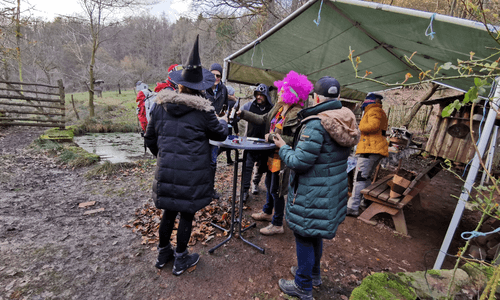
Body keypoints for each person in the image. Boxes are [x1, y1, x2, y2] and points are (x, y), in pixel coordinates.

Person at [144, 35, 228, 276]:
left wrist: (164, 155)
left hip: (167, 169)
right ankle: (181, 259)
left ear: (179, 84)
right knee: (186, 213)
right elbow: (220, 134)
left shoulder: (160, 105)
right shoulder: (204, 111)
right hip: (191, 174)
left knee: (168, 211)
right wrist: (225, 123)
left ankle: (163, 254)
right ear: (199, 86)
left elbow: (149, 138)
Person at [272, 76, 360, 299]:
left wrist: (283, 147)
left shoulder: (316, 124)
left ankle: (303, 285)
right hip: (330, 192)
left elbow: (299, 162)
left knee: (303, 234)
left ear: (316, 98)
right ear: (338, 97)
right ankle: (313, 274)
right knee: (315, 234)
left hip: (312, 192)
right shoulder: (346, 119)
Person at [238, 70, 312, 235]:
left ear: (291, 95)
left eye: (283, 90)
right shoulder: (278, 109)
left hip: (283, 159)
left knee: (276, 190)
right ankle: (267, 212)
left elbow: (294, 139)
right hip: (271, 156)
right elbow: (262, 119)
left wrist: (271, 136)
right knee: (269, 185)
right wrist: (242, 114)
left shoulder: (296, 114)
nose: (279, 92)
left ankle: (277, 223)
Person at [346, 92, 388, 217]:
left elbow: (373, 126)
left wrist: (359, 126)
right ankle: (365, 201)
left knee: (359, 178)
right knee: (365, 177)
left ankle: (352, 207)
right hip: (373, 148)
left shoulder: (374, 110)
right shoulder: (378, 111)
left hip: (370, 149)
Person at [240, 83, 274, 202]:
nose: (259, 97)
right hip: (250, 142)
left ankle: (255, 183)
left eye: (261, 95)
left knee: (261, 167)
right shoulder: (249, 105)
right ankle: (245, 190)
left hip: (265, 144)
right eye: (257, 94)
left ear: (266, 96)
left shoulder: (272, 109)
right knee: (248, 166)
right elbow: (240, 113)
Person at [205, 63, 229, 199]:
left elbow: (225, 106)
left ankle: (210, 190)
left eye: (218, 75)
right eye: (212, 74)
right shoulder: (202, 88)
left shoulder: (224, 89)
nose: (215, 77)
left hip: (216, 127)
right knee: (201, 159)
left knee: (213, 161)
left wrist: (222, 117)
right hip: (203, 128)